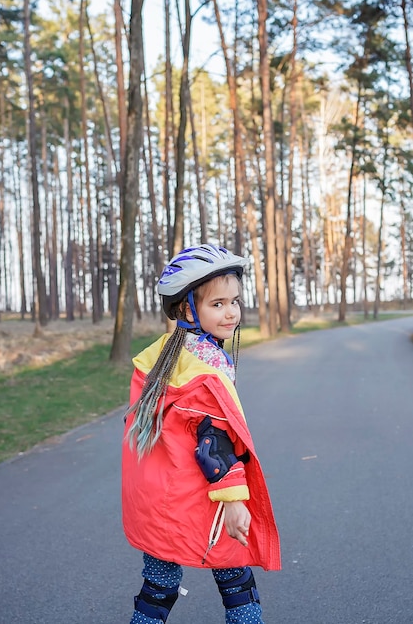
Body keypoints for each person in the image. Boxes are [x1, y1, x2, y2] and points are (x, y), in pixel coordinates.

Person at [121, 244, 281, 624]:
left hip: (160, 499)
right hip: (204, 498)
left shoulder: (162, 355)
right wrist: (234, 501)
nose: (231, 313)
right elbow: (215, 443)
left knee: (158, 587)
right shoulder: (206, 365)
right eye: (218, 304)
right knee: (237, 581)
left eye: (235, 301)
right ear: (185, 308)